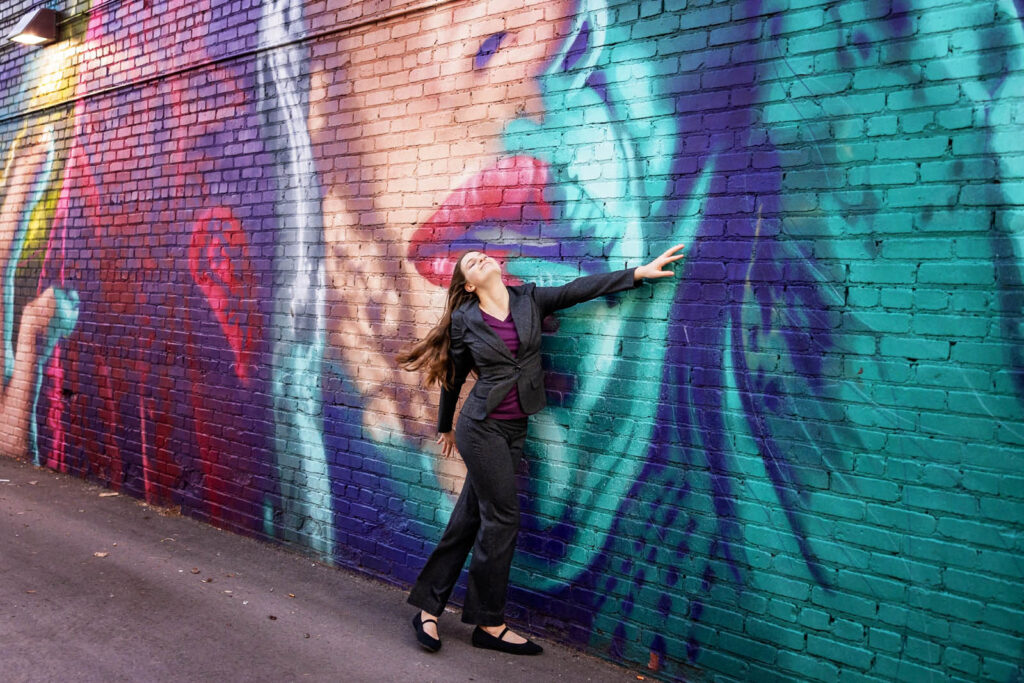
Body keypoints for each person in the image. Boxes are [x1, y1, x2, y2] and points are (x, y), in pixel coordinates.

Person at [396, 244, 686, 654]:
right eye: (469, 263)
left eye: (482, 255)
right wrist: (445, 426)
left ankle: (427, 608)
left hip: (515, 427)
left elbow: (579, 289)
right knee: (503, 517)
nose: (479, 259)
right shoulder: (465, 319)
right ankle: (489, 623)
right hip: (480, 428)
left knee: (469, 520)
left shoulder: (528, 299)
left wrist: (638, 273)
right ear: (466, 283)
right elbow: (454, 376)